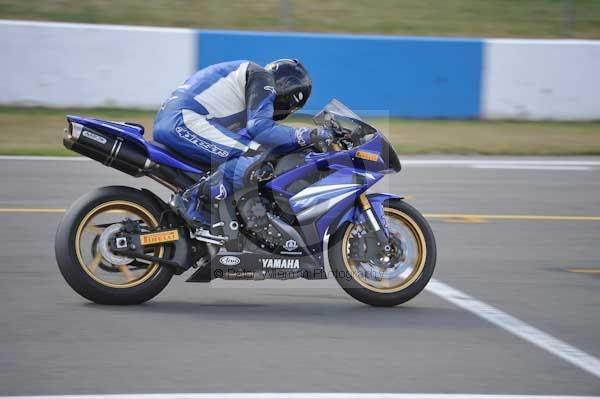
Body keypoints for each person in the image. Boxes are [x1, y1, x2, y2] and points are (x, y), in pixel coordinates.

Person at [153, 59, 333, 230]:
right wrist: (308, 134)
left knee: (253, 152)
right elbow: (260, 128)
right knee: (253, 157)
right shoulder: (262, 78)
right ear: (288, 92)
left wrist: (294, 139)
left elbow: (253, 135)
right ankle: (192, 201)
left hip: (179, 119)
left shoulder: (246, 83)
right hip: (184, 120)